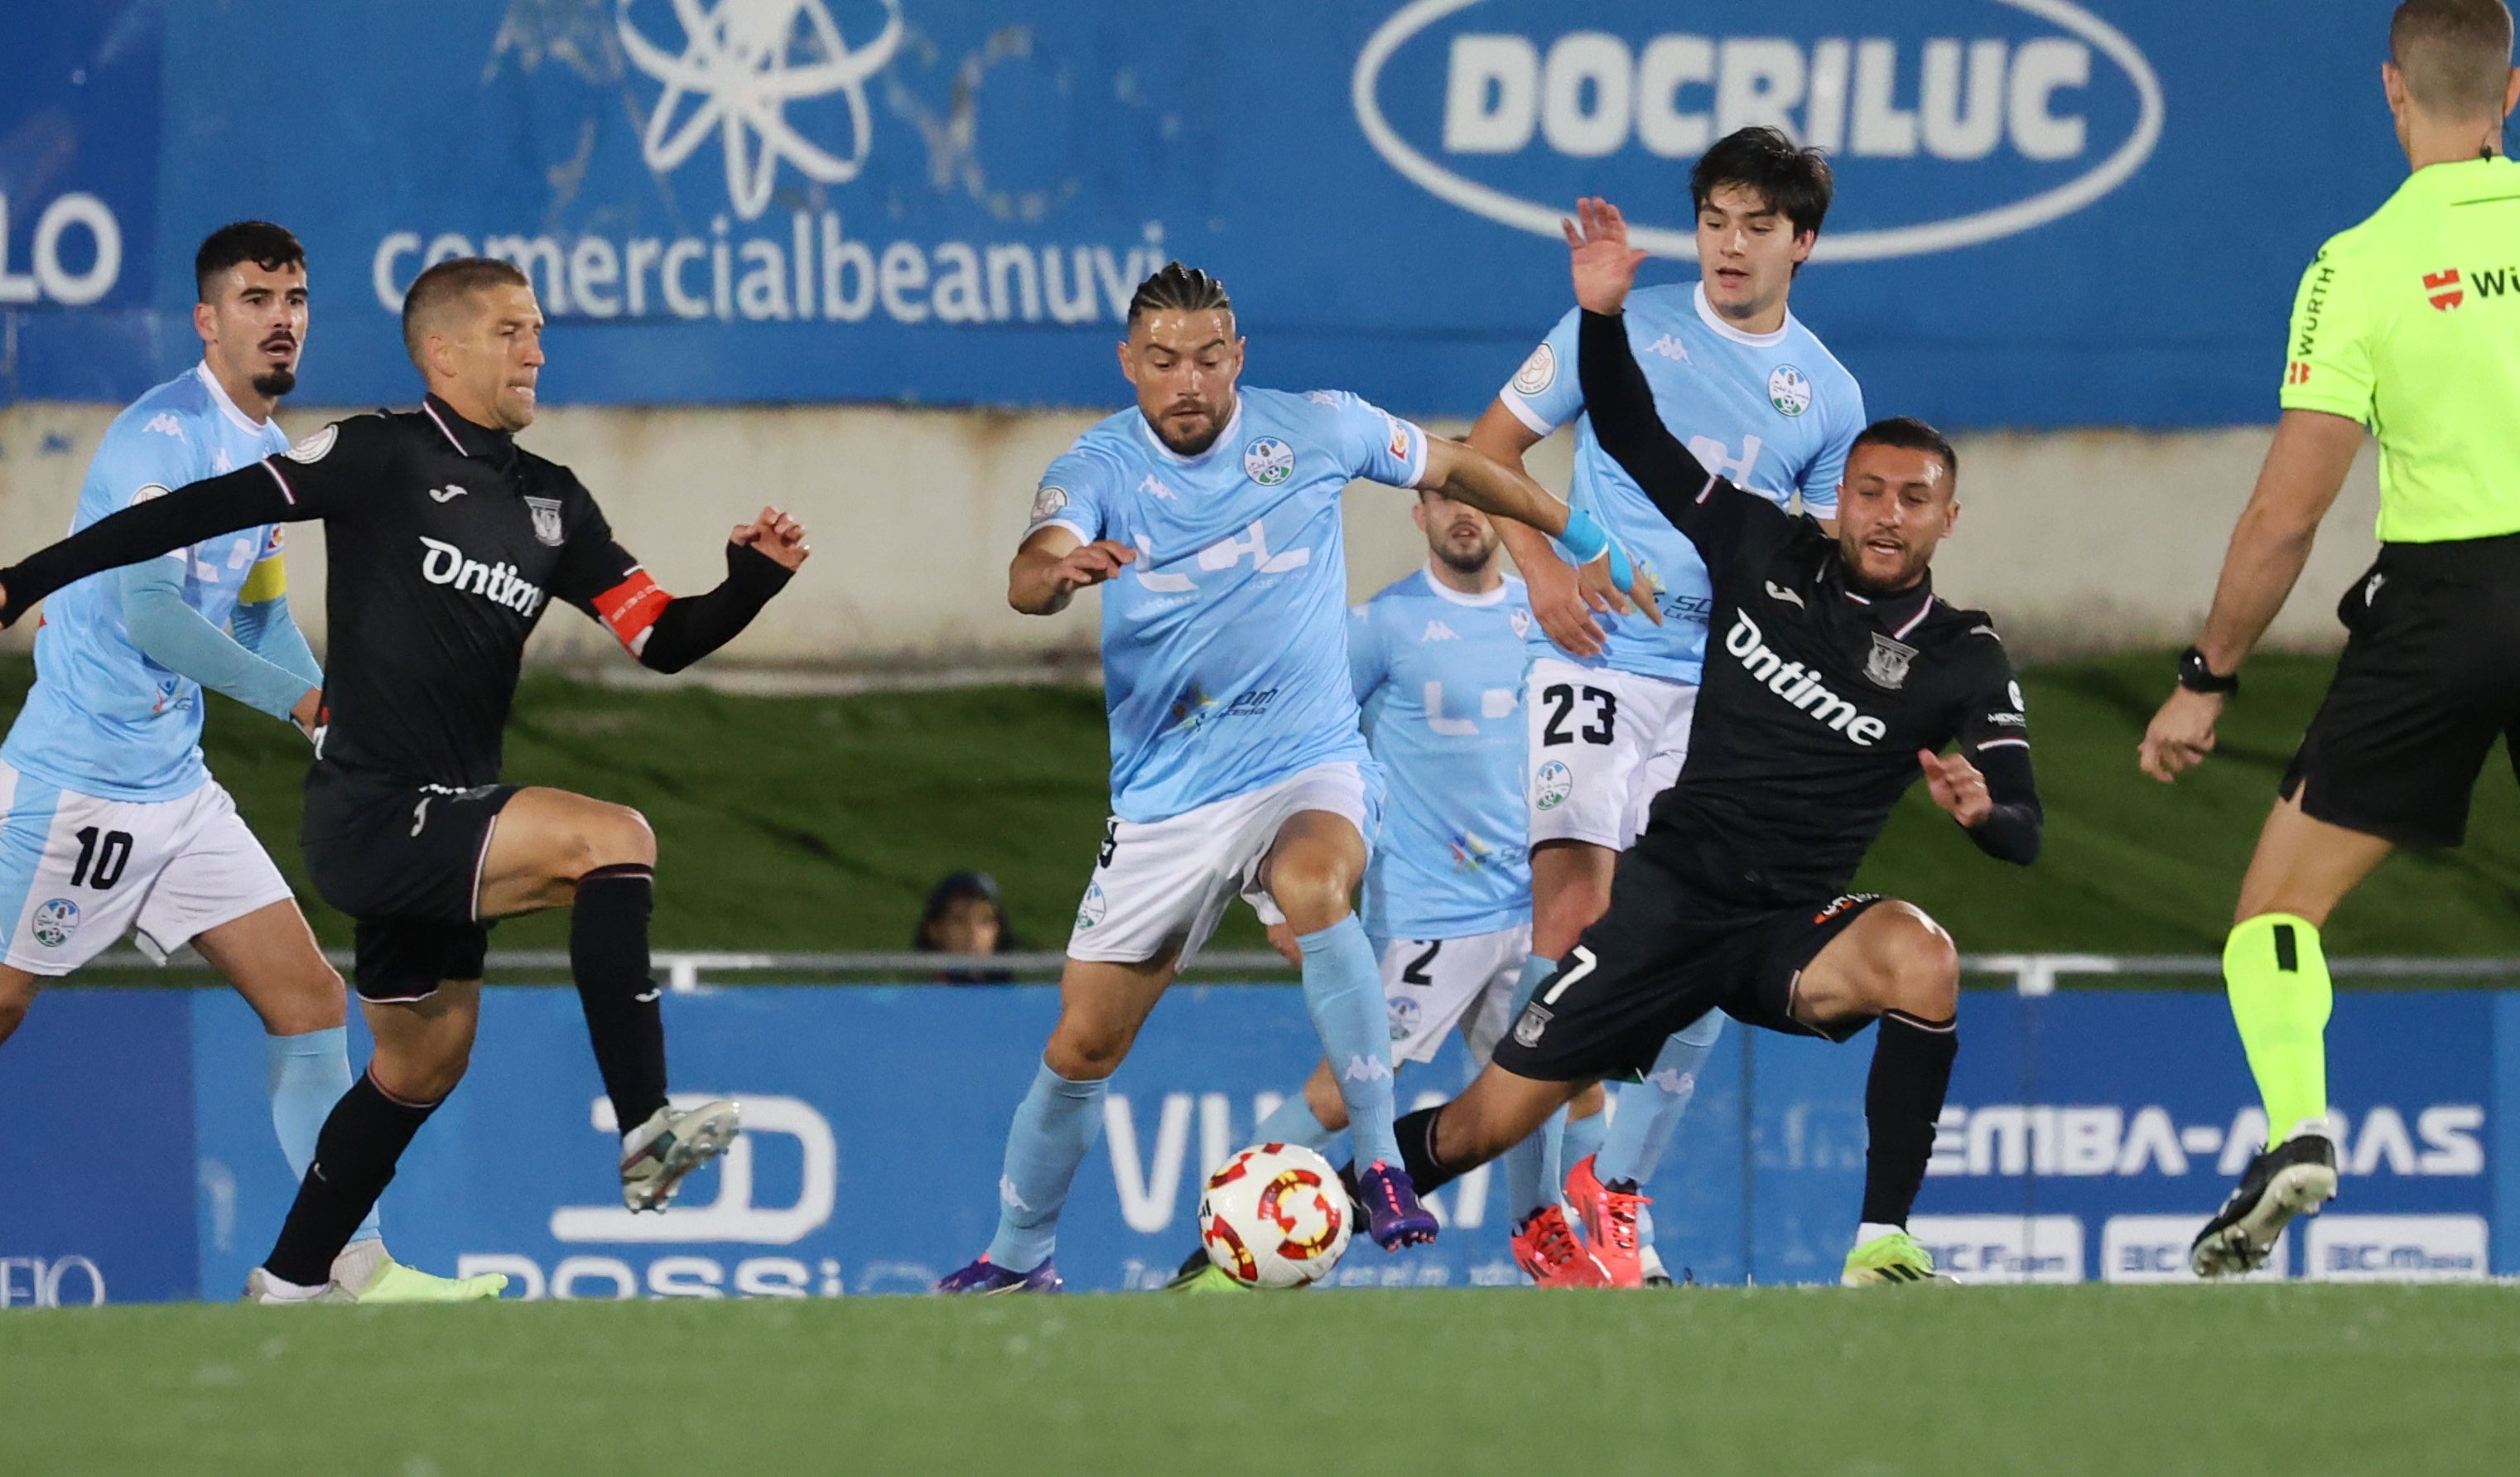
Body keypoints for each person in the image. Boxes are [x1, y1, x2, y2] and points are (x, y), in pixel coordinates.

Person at [0, 256, 811, 1303]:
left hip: (447, 822)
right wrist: (27, 578)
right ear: (443, 350)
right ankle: (646, 1125)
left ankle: (295, 1280)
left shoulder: (554, 504)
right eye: (513, 330)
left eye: (539, 329)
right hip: (375, 812)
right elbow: (185, 516)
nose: (537, 349)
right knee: (613, 839)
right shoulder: (376, 454)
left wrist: (748, 586)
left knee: (423, 1062)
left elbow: (660, 636)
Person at [936, 262, 1655, 1293]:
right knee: (1083, 1046)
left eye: (1207, 358)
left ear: (1238, 357)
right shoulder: (1098, 465)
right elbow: (1029, 569)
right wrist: (1055, 574)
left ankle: (1382, 1166)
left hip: (1304, 762)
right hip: (1169, 802)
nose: (1187, 381)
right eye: (1163, 361)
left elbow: (1461, 466)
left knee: (1317, 881)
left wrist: (1584, 536)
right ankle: (1017, 1256)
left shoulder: (1318, 427)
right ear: (1128, 364)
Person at [1367, 199, 2040, 1289]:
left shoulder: (1960, 653)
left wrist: (1983, 811)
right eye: (1867, 493)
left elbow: (2023, 825)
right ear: (1835, 500)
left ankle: (1868, 1239)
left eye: (1911, 500)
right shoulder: (1754, 552)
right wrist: (1599, 318)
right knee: (1478, 1120)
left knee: (1920, 953)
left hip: (1780, 929)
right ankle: (1313, 1206)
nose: (1883, 515)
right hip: (1669, 898)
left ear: (1945, 519)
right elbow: (1633, 432)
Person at [0, 222, 477, 1300]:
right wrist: (301, 700)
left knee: (308, 996)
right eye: (256, 299)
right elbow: (154, 615)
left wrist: (329, 717)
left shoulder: (268, 449)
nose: (282, 318)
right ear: (207, 320)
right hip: (76, 784)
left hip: (176, 791)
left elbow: (257, 611)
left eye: (295, 298)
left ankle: (343, 1264)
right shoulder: (158, 437)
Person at [2138, 0, 2520, 1278]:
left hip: (2442, 606)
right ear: (2510, 92)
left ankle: (2295, 1123)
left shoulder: (2355, 263)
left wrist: (2206, 675)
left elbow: (2283, 515)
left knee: (2274, 910)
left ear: (2390, 90)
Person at [1462, 128, 1867, 1286]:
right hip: (1594, 661)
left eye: (1756, 226)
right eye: (1712, 221)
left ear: (1801, 243)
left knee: (1707, 938)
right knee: (1573, 923)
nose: (1728, 246)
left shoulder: (1828, 394)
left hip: (1719, 691)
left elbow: (1814, 571)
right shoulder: (1621, 325)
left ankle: (1618, 1191)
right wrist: (1544, 571)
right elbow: (1486, 451)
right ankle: (1539, 1215)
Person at [1168, 486, 1536, 1291]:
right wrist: (1282, 893)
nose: (1463, 513)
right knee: (1342, 1092)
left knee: (1554, 1087)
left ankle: (1569, 1259)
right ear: (1419, 514)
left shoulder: (1544, 615)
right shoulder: (1382, 625)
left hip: (1532, 911)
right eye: (1444, 498)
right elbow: (1291, 737)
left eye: (1478, 499)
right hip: (1428, 913)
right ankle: (1214, 1259)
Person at [916, 870, 1018, 983]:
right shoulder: (918, 990)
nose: (972, 933)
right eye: (959, 920)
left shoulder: (1019, 989)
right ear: (935, 930)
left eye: (985, 921)